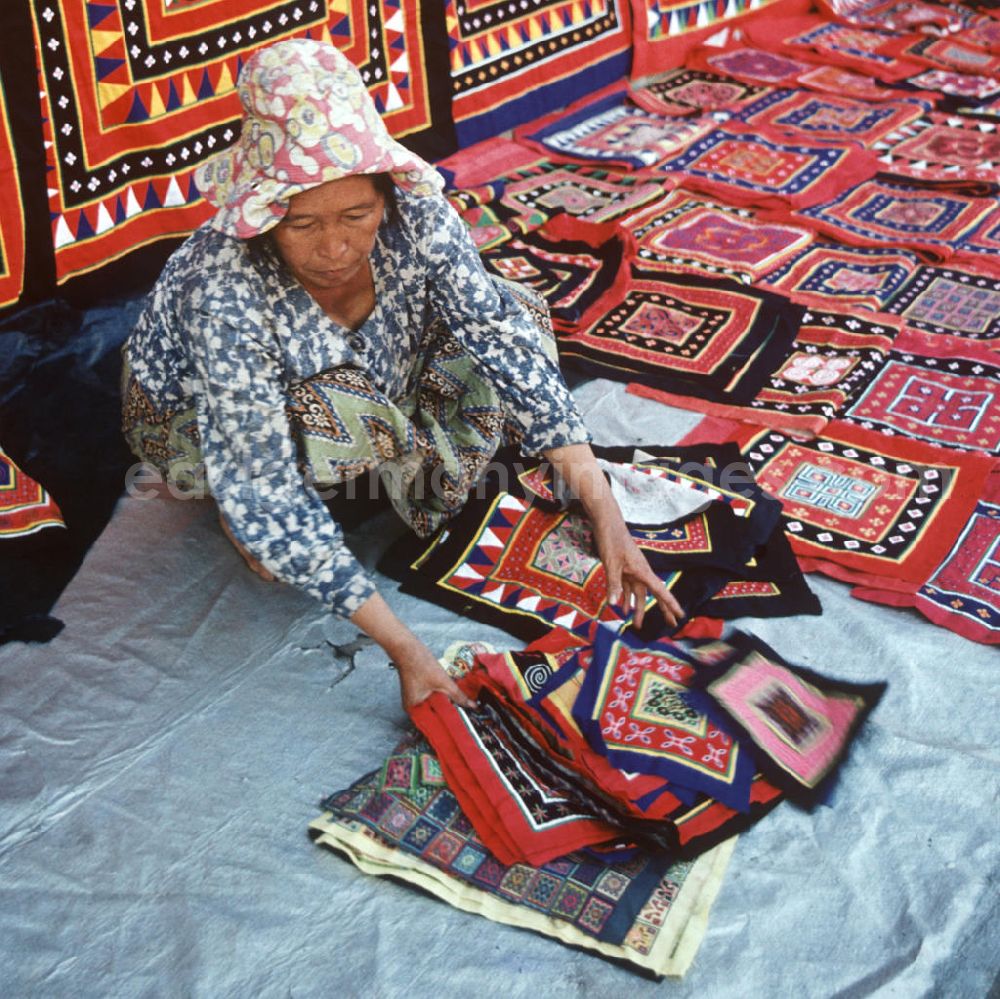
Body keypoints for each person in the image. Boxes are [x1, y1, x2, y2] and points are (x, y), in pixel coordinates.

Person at [121, 38, 681, 712]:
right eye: (304, 225)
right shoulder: (224, 288)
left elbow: (496, 337)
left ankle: (383, 462)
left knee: (515, 313)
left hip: (364, 370)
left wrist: (605, 509)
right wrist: (408, 649)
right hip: (207, 425)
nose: (334, 247)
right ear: (268, 217)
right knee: (323, 432)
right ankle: (244, 512)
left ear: (386, 190)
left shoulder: (418, 215)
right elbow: (262, 472)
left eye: (357, 215)